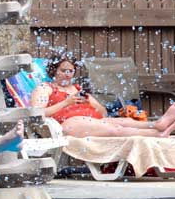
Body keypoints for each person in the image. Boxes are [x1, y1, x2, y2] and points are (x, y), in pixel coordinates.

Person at [30, 55, 175, 138]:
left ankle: (158, 124)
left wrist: (91, 102)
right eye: (64, 70)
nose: (68, 74)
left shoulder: (78, 89)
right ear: (54, 70)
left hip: (93, 120)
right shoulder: (45, 88)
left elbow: (103, 113)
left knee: (121, 121)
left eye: (71, 71)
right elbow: (36, 114)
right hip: (68, 123)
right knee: (115, 129)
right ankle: (156, 134)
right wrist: (66, 102)